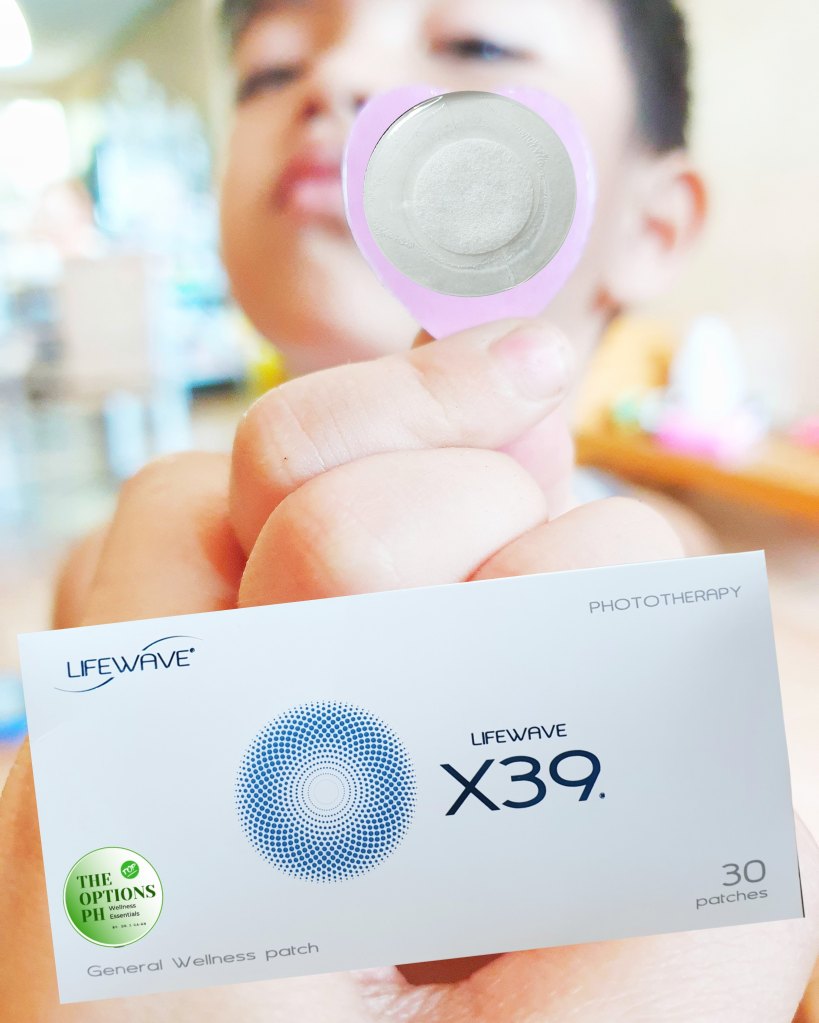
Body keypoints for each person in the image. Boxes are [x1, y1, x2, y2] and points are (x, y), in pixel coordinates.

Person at [1, 1, 817, 1019]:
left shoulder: (747, 659)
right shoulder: (108, 586)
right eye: (271, 71)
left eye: (475, 43)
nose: (337, 81)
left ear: (653, 225)